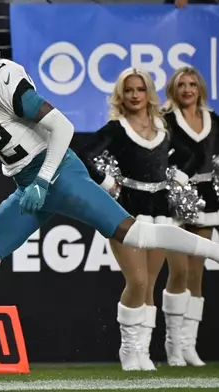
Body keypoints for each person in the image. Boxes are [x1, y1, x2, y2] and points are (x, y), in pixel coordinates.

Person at [0, 17, 219, 371]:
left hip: (57, 176)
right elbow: (5, 126)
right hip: (28, 182)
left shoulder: (0, 77)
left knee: (136, 234)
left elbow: (61, 126)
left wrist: (43, 179)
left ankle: (215, 251)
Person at [81, 68, 200, 371]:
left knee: (150, 285)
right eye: (129, 90)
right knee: (137, 280)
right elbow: (83, 155)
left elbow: (193, 152)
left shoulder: (162, 126)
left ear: (148, 93)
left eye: (140, 89)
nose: (134, 95)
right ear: (121, 94)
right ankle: (128, 348)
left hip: (159, 209)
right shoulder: (115, 128)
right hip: (125, 210)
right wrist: (107, 182)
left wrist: (181, 176)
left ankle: (142, 353)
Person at [161, 66, 218, 367]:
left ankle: (188, 346)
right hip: (173, 200)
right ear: (173, 88)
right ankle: (173, 346)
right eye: (181, 84)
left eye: (192, 84)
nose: (187, 89)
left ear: (200, 89)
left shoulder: (214, 121)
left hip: (207, 200)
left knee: (197, 275)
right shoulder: (165, 121)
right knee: (179, 271)